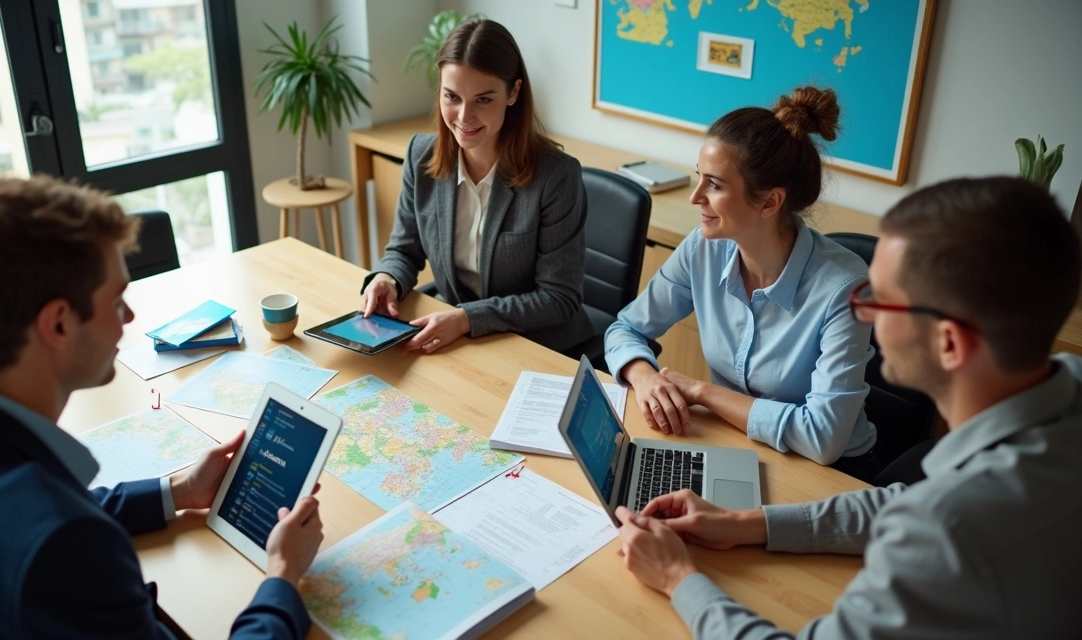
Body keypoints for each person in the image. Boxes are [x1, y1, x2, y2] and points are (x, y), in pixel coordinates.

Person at [616, 177, 1082, 638]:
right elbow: (902, 504)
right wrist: (746, 523)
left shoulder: (944, 531)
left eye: (884, 300)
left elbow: (933, 519)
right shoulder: (1070, 389)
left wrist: (678, 578)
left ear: (948, 344)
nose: (865, 314)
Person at [0, 176, 324, 639]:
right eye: (116, 301)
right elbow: (56, 534)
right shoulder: (67, 546)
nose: (130, 317)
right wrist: (283, 574)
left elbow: (37, 517)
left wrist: (180, 491)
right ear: (58, 324)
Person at [604, 87, 878, 480]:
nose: (695, 197)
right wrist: (643, 376)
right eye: (699, 177)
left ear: (770, 202)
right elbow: (626, 328)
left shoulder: (844, 290)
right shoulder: (702, 247)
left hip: (833, 472)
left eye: (714, 185)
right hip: (737, 443)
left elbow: (824, 438)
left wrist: (703, 392)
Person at [361, 19, 594, 355]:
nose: (463, 117)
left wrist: (467, 318)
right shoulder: (420, 155)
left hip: (535, 343)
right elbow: (404, 250)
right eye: (451, 97)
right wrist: (387, 279)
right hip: (459, 336)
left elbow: (559, 297)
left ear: (513, 93)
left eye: (483, 100)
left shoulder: (555, 176)